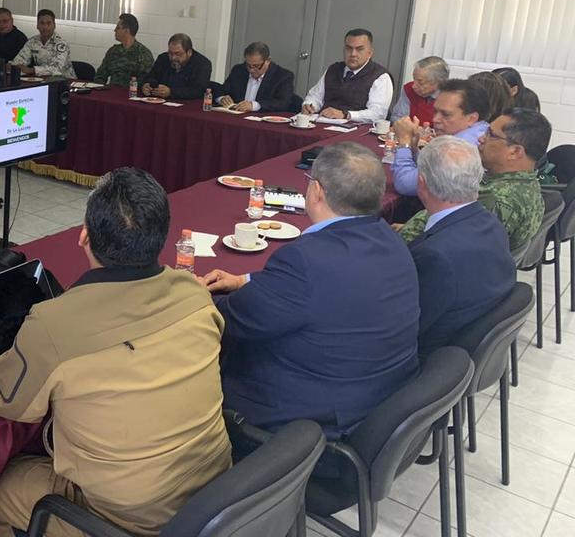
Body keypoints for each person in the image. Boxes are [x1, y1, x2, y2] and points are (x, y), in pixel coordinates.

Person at [0, 168, 232, 537]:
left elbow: (5, 402)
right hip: (212, 497)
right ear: (162, 238)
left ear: (84, 236)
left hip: (123, 521)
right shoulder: (196, 294)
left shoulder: (53, 323)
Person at [200, 142, 419, 439]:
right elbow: (323, 291)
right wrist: (247, 281)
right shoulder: (390, 238)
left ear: (316, 191)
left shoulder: (305, 259)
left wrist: (197, 295)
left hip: (308, 424)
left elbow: (234, 320)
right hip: (379, 401)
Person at [407, 136, 515, 356]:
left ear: (421, 183)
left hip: (430, 358)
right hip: (464, 346)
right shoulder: (490, 222)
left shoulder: (435, 255)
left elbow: (406, 325)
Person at [398, 108, 550, 250]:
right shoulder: (527, 185)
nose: (481, 138)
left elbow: (447, 247)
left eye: (491, 134)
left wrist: (405, 234)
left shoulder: (497, 201)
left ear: (515, 152)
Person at [391, 79, 490, 196]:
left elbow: (405, 185)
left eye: (446, 115)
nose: (435, 119)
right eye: (435, 112)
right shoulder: (482, 130)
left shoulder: (458, 148)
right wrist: (413, 149)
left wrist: (404, 143)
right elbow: (430, 170)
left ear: (471, 118)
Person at [301, 29, 394, 124]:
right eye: (349, 48)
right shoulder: (333, 69)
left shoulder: (380, 76)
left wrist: (346, 114)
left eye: (359, 49)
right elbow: (315, 96)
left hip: (357, 129)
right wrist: (309, 106)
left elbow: (378, 114)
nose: (353, 54)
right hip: (323, 123)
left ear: (370, 53)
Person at [214, 42, 295, 112]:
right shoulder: (239, 70)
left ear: (268, 61)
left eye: (256, 66)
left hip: (262, 120)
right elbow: (221, 90)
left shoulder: (282, 76)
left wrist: (254, 106)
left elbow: (283, 103)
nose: (251, 70)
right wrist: (222, 98)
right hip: (236, 117)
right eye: (248, 65)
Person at [142, 33, 212, 100]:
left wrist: (171, 92)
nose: (173, 58)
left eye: (178, 54)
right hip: (160, 101)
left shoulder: (203, 64)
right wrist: (146, 85)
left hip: (188, 104)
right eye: (170, 53)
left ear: (189, 52)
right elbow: (151, 77)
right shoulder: (163, 58)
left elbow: (199, 90)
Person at [11, 8, 76, 79]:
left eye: (49, 23)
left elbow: (56, 68)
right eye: (42, 23)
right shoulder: (32, 41)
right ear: (37, 25)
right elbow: (18, 61)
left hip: (65, 81)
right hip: (42, 80)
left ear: (54, 25)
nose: (45, 27)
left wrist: (32, 70)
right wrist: (14, 65)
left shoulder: (61, 44)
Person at [94, 13, 154, 86]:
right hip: (112, 91)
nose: (115, 30)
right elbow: (100, 76)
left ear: (126, 31)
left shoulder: (143, 54)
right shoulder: (113, 51)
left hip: (132, 92)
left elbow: (146, 83)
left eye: (118, 28)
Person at [390, 56, 449, 123]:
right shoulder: (409, 89)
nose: (413, 86)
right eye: (414, 79)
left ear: (438, 82)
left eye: (420, 82)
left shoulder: (449, 97)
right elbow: (397, 117)